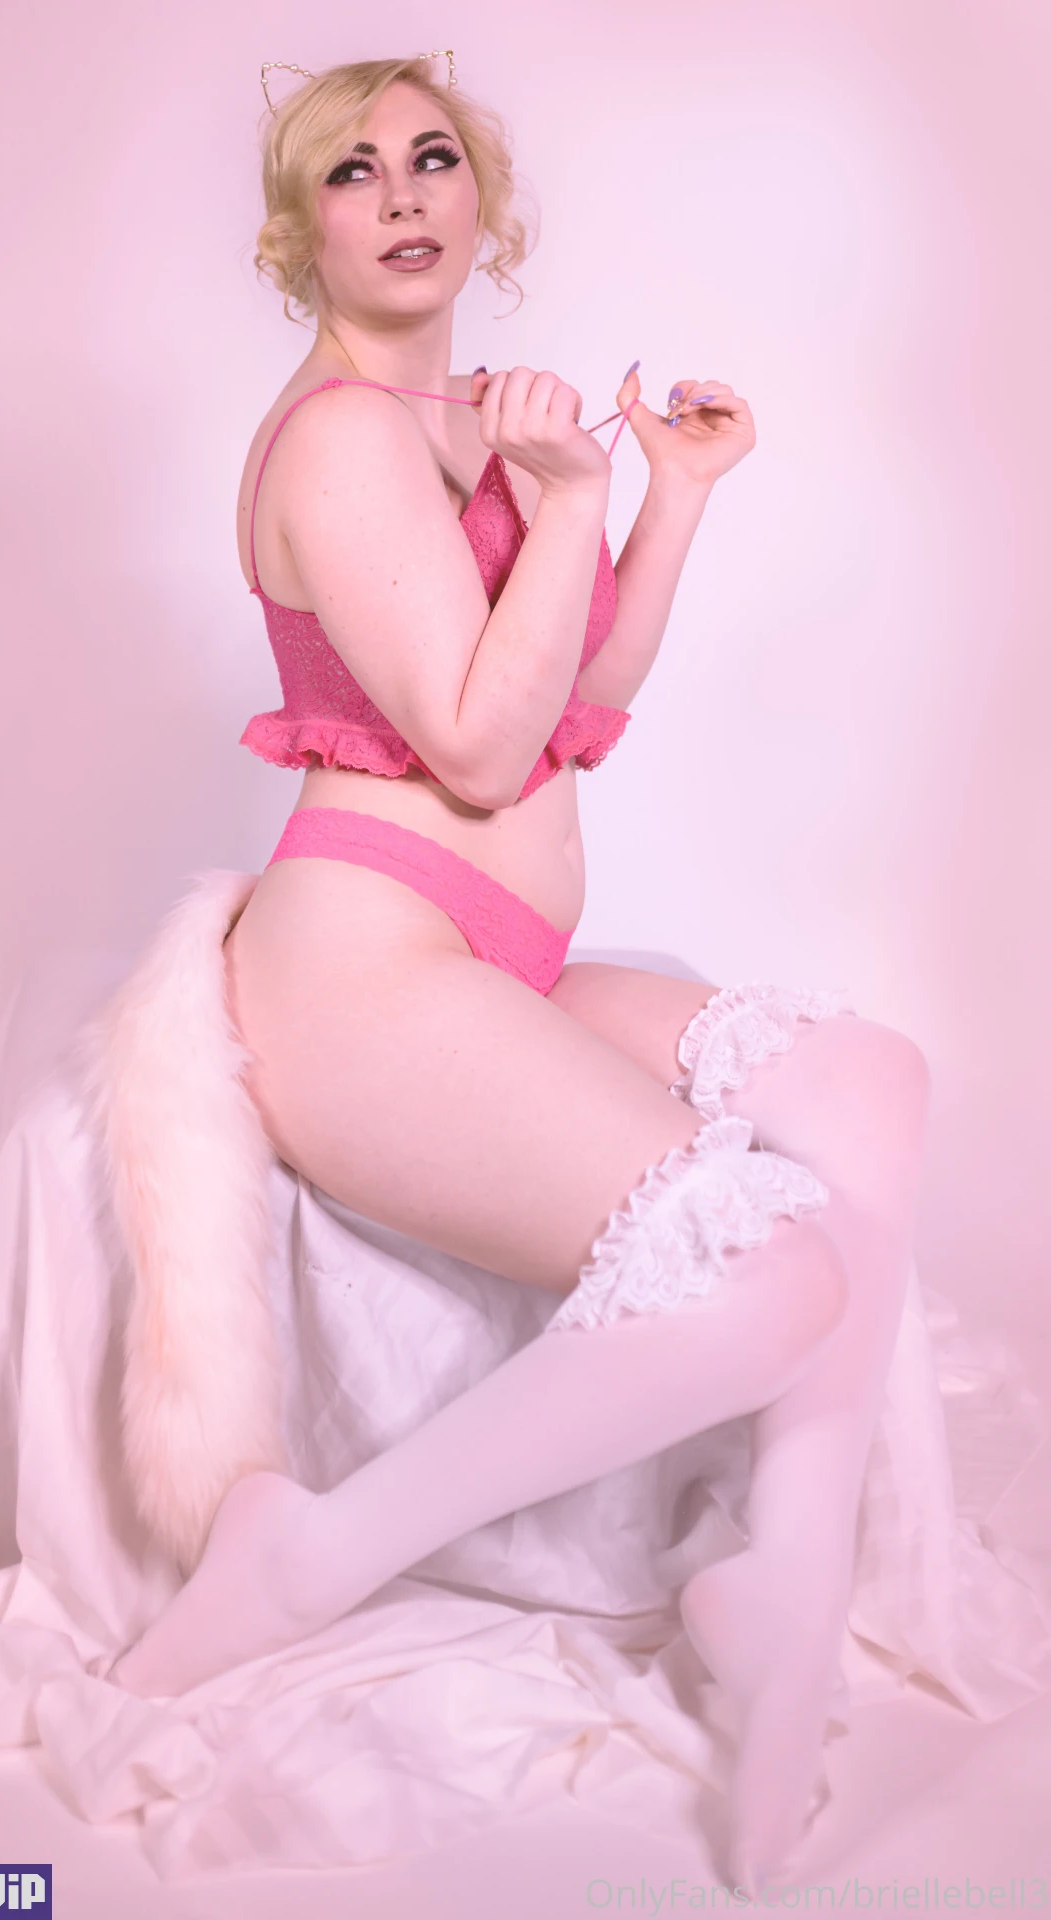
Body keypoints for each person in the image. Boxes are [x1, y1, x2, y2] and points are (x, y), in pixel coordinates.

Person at [111, 55, 931, 1891]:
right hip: (356, 974)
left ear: (484, 200)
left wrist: (665, 494)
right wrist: (561, 498)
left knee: (872, 1083)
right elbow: (482, 753)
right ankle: (312, 1552)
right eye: (352, 170)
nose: (402, 192)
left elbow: (582, 697)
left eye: (433, 157)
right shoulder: (338, 439)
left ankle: (786, 1590)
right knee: (777, 1273)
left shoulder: (461, 418)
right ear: (297, 227)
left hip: (486, 961)